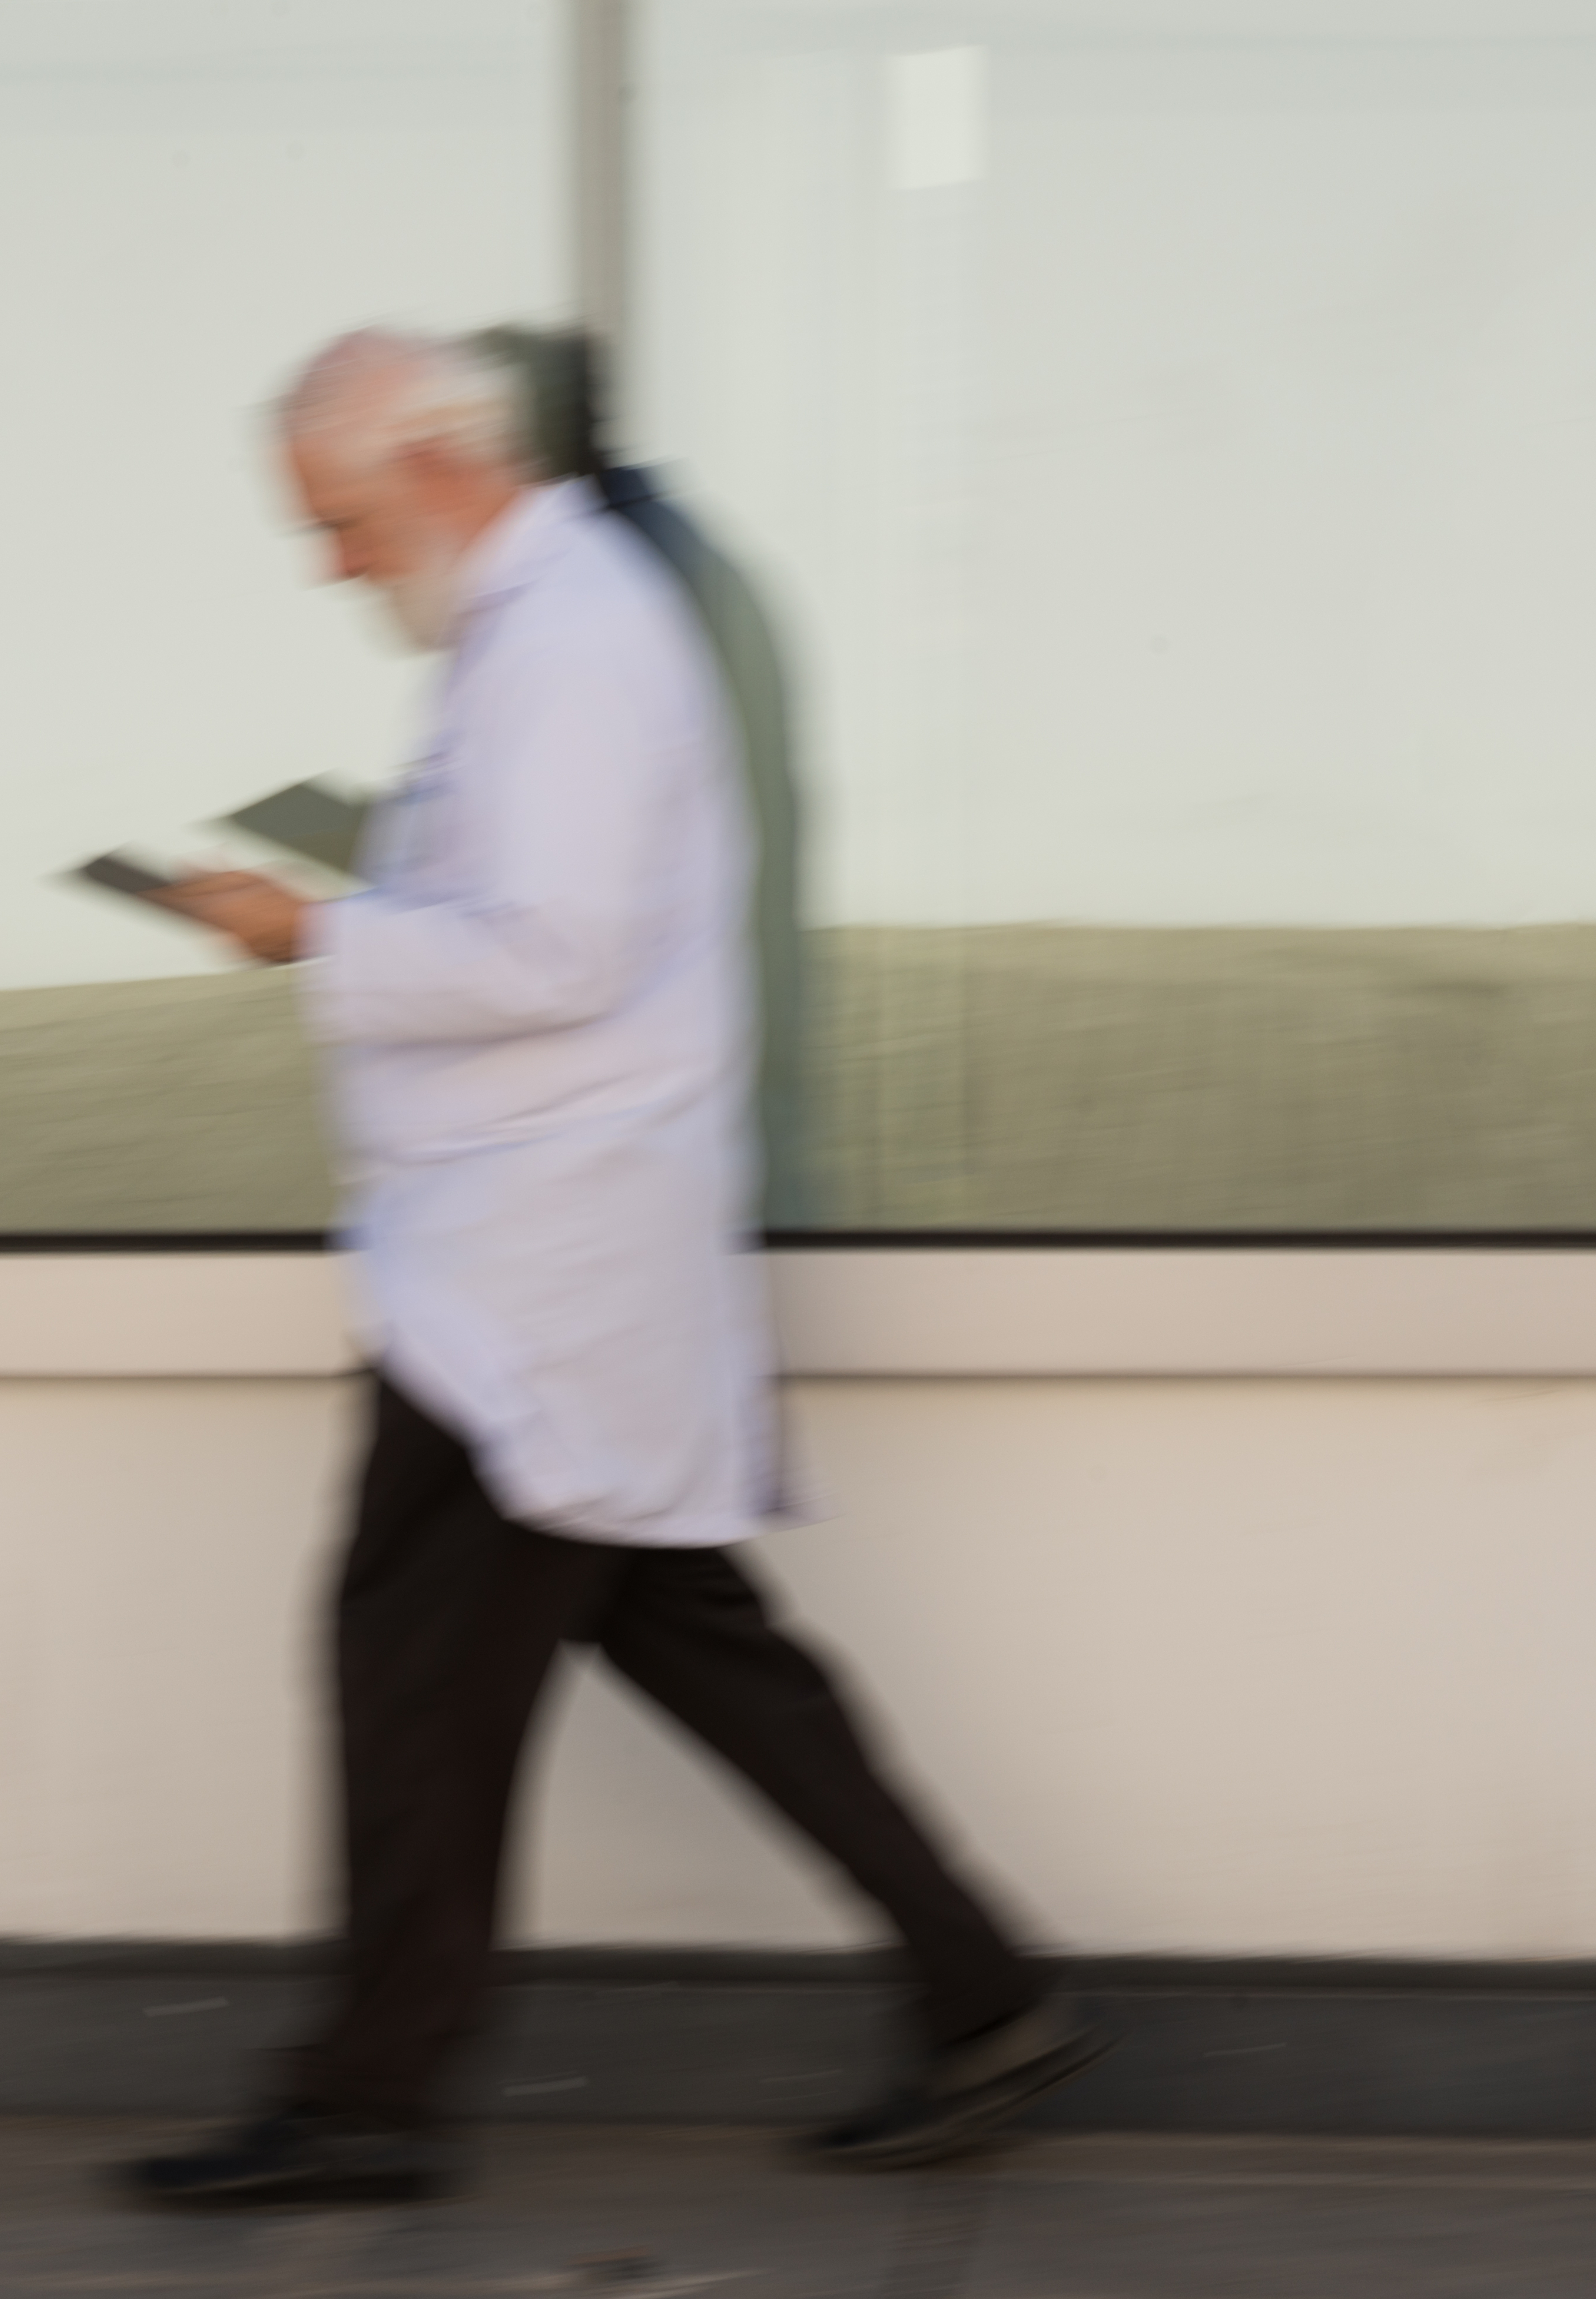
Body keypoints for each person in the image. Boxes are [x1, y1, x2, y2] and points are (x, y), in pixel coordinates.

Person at [119, 328, 1105, 2210]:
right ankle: (987, 1996)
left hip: (530, 1280)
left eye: (333, 522)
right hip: (545, 1267)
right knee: (702, 1649)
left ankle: (366, 2104)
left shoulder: (571, 641)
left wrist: (308, 932)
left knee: (408, 1670)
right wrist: (378, 874)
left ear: (433, 461)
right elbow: (549, 914)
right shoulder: (542, 631)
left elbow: (559, 951)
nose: (329, 565)